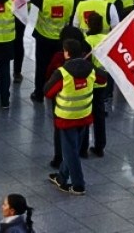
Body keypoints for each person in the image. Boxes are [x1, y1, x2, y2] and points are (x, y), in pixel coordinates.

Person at [44, 37, 104, 197]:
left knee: (71, 152)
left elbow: (48, 92)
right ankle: (61, 177)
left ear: (67, 53)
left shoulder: (62, 73)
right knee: (73, 148)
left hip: (66, 118)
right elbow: (103, 80)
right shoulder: (91, 69)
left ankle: (78, 185)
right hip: (84, 115)